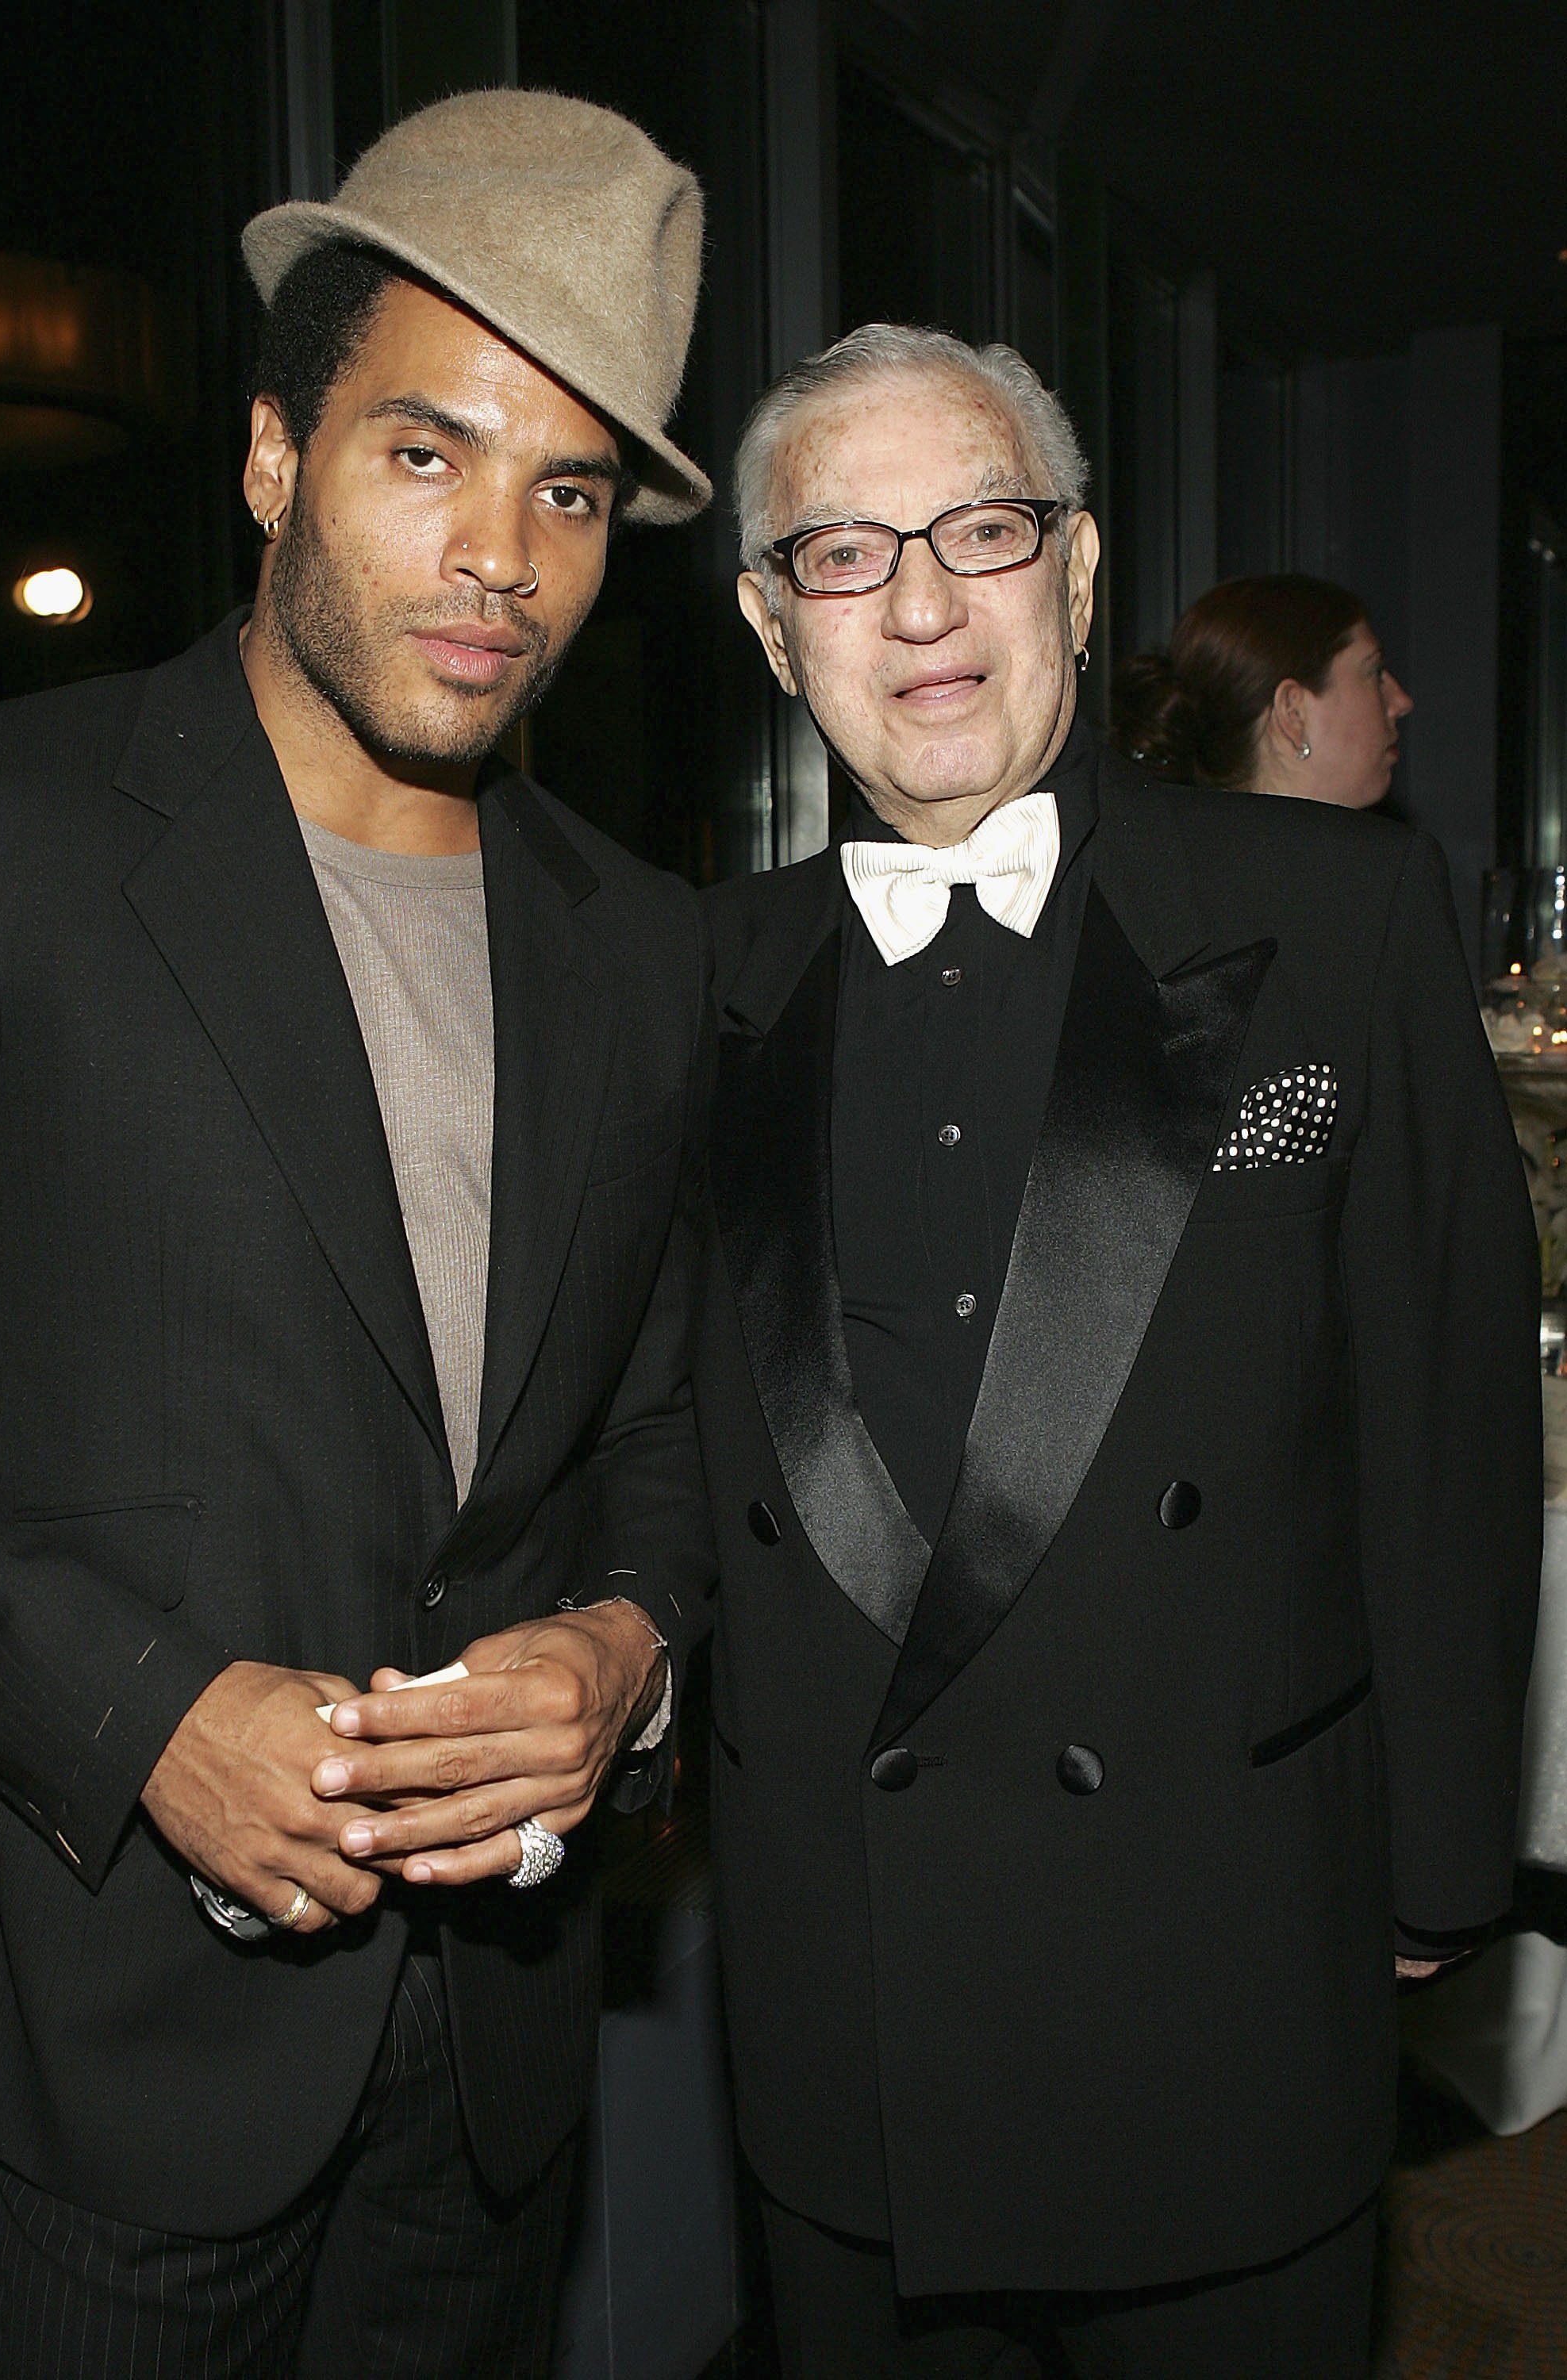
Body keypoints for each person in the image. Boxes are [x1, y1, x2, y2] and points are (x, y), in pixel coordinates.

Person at [0, 90, 716, 2380]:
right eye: (428, 454)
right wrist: (135, 1711)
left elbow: (666, 1420)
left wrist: (632, 1657)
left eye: (566, 491)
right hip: (127, 2012)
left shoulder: (641, 944)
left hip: (494, 2039)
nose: (501, 554)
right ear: (277, 458)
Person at [692, 323, 1539, 2378]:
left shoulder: (1337, 911)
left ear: (1074, 572)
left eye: (978, 531)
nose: (915, 604)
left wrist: (1436, 1861)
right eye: (839, 551)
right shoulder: (699, 974)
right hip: (848, 1987)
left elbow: (1442, 1412)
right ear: (764, 621)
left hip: (1217, 1952)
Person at [1111, 571, 1413, 807]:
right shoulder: (1385, 875)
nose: (1401, 702)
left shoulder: (1181, 871)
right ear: (1293, 713)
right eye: (1374, 672)